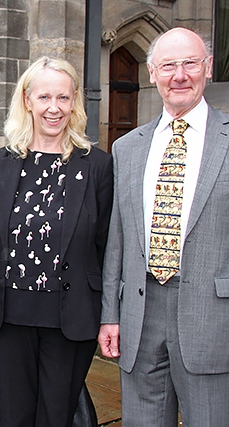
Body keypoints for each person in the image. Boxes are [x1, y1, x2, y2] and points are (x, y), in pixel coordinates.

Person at [98, 27, 229, 426]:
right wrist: (110, 313)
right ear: (152, 73)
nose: (180, 75)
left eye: (190, 63)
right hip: (140, 313)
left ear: (207, 68)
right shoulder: (127, 148)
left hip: (213, 316)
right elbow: (116, 238)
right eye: (168, 65)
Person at [0, 56, 113, 427]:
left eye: (63, 98)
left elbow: (104, 243)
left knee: (56, 415)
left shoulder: (97, 166)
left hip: (70, 317)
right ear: (27, 100)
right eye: (44, 98)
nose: (54, 108)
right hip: (9, 317)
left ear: (74, 103)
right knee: (14, 415)